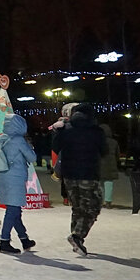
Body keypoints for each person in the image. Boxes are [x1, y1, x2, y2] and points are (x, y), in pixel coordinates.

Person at [54, 103, 107, 255]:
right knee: (92, 207)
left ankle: (77, 239)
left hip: (69, 175)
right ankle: (77, 236)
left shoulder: (66, 129)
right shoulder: (97, 131)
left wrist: (58, 131)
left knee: (77, 207)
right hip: (89, 174)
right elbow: (104, 151)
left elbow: (56, 147)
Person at [0, 113, 37, 254]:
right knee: (12, 210)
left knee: (15, 210)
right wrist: (30, 147)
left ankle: (24, 239)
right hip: (15, 178)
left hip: (2, 177)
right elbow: (32, 157)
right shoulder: (18, 140)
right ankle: (4, 241)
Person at [99, 123, 120, 209]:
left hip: (99, 165)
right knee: (109, 184)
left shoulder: (98, 142)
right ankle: (108, 201)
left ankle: (100, 201)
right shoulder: (114, 142)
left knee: (100, 184)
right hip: (111, 165)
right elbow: (117, 155)